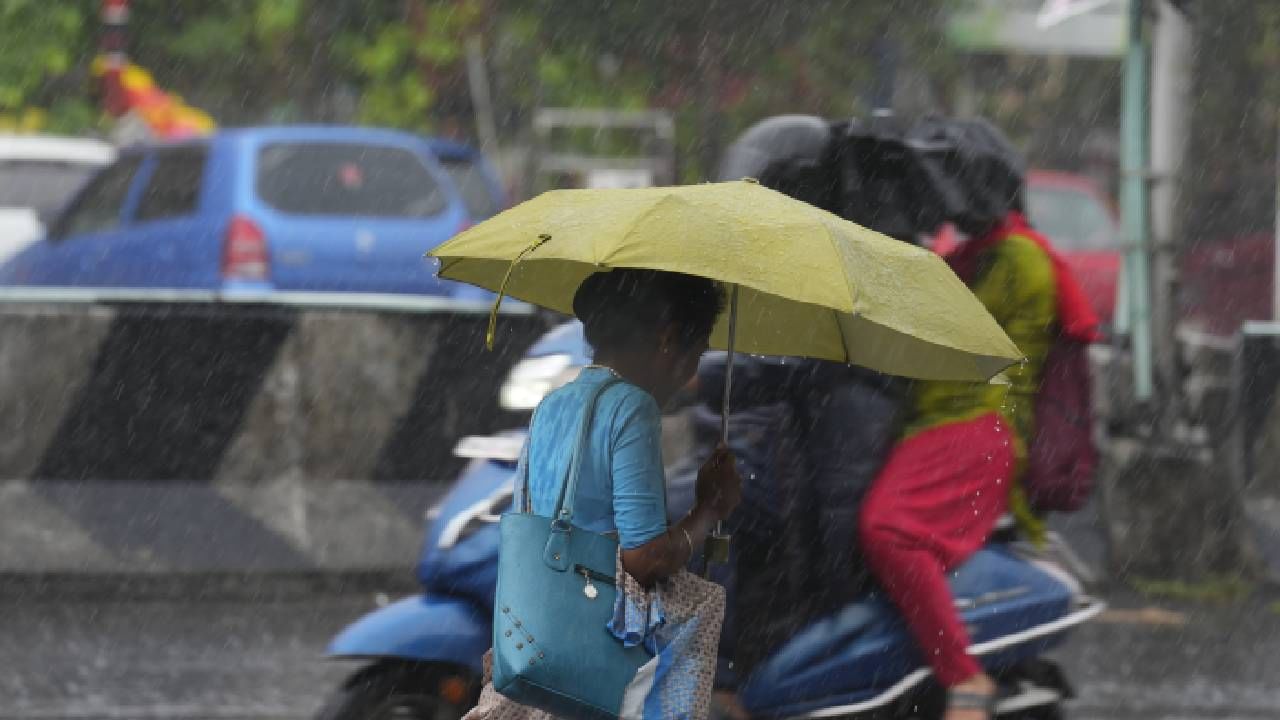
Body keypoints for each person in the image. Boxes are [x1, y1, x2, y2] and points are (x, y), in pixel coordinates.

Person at [466, 268, 742, 720]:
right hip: (593, 654)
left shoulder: (553, 404)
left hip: (538, 641)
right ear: (669, 339)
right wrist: (709, 510)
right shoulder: (633, 407)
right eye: (699, 350)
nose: (693, 374)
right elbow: (644, 558)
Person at [857, 201, 1065, 719]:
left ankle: (963, 673)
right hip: (930, 425)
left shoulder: (1015, 258)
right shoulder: (968, 257)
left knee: (887, 530)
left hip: (972, 426)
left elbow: (975, 344)